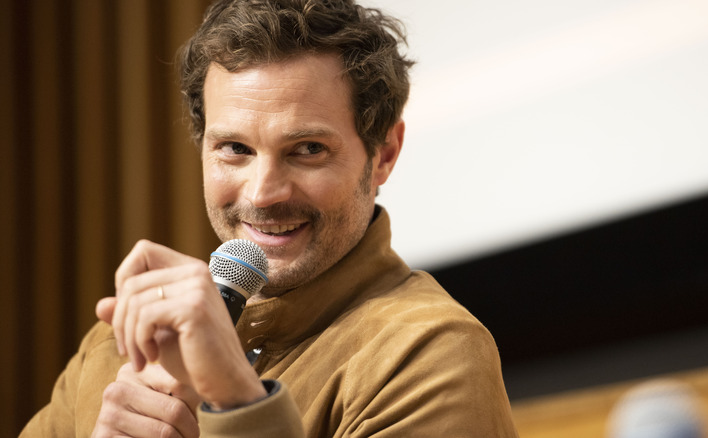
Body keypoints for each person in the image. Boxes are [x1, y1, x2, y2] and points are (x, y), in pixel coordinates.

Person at [22, 0, 518, 436]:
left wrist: (238, 402)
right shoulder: (118, 342)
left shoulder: (430, 354)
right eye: (234, 148)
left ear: (384, 152)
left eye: (307, 149)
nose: (263, 194)